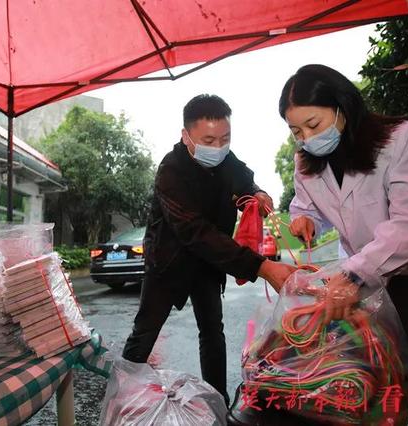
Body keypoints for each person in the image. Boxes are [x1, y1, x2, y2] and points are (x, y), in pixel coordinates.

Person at [280, 64, 408, 425]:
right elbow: (307, 205)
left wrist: (354, 274)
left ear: (342, 106)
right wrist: (305, 220)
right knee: (395, 378)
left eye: (313, 125)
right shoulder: (305, 162)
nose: (307, 138)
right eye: (296, 131)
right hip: (370, 284)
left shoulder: (398, 139)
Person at [122, 94, 296, 405]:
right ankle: (120, 400)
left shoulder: (226, 160)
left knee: (213, 333)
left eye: (225, 139)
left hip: (208, 265)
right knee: (144, 333)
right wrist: (262, 267)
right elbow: (195, 232)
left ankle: (218, 402)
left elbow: (244, 179)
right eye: (208, 140)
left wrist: (257, 192)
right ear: (185, 136)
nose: (217, 147)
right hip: (168, 263)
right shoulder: (170, 171)